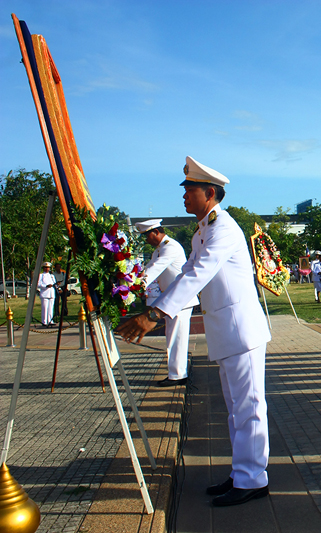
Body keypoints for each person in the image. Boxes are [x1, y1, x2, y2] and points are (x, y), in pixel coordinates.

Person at [118, 156, 270, 507]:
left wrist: (154, 315)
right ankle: (243, 472)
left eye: (190, 190)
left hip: (241, 330)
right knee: (235, 407)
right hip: (227, 329)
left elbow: (197, 274)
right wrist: (151, 308)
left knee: (248, 406)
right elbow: (188, 272)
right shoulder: (204, 229)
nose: (185, 196)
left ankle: (252, 478)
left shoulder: (224, 229)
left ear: (210, 194)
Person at [136, 219, 200, 387]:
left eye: (147, 236)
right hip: (171, 299)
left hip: (180, 299)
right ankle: (177, 373)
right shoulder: (159, 250)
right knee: (173, 337)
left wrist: (139, 283)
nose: (146, 240)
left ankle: (177, 375)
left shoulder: (170, 247)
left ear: (156, 232)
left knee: (176, 338)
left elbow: (156, 268)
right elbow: (149, 267)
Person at [37, 262, 57, 327]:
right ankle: (44, 321)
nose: (47, 269)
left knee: (51, 308)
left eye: (48, 268)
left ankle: (50, 320)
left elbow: (54, 283)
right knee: (45, 308)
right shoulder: (41, 275)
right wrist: (46, 286)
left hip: (51, 293)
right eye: (45, 267)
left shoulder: (51, 276)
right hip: (45, 293)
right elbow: (38, 284)